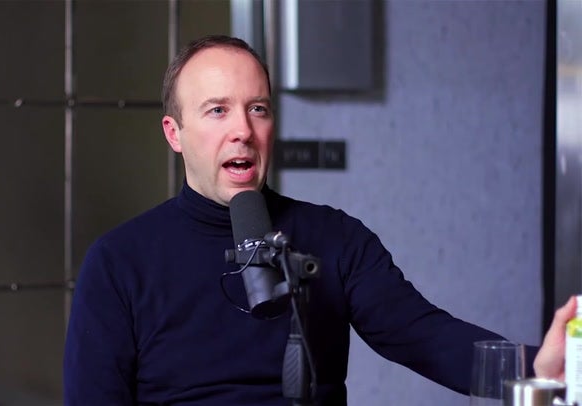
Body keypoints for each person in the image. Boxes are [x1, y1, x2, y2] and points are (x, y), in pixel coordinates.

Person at [63, 34, 574, 405]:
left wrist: (539, 366)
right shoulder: (119, 262)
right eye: (217, 110)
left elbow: (425, 337)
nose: (243, 130)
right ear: (174, 133)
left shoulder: (334, 237)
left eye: (257, 108)